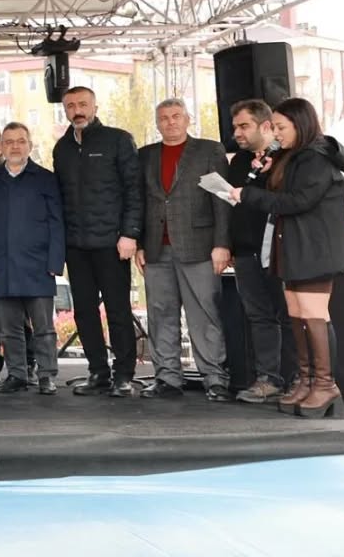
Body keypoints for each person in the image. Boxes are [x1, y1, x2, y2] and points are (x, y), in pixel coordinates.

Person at [230, 97, 344, 419]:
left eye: (281, 127)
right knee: (297, 315)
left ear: (300, 125)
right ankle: (307, 380)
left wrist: (249, 194)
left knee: (314, 315)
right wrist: (264, 174)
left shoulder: (316, 159)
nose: (276, 133)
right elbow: (283, 194)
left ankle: (325, 385)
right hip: (295, 248)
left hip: (316, 249)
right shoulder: (293, 158)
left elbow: (297, 201)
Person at [135, 99, 233, 401]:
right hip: (156, 248)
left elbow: (222, 200)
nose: (170, 122)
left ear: (188, 119)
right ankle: (167, 378)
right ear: (157, 123)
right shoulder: (145, 155)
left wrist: (222, 244)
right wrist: (139, 244)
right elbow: (139, 202)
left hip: (199, 247)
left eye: (176, 116)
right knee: (160, 314)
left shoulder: (208, 151)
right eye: (164, 118)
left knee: (204, 314)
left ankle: (215, 379)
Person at [53, 86, 142, 397]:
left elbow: (134, 190)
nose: (77, 110)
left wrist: (130, 234)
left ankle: (124, 375)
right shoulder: (62, 148)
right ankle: (98, 373)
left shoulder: (118, 140)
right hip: (76, 245)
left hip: (112, 243)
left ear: (95, 107)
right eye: (70, 105)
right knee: (84, 312)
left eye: (82, 104)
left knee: (118, 311)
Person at [0, 123, 65, 395]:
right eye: (10, 141)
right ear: (3, 146)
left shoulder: (46, 179)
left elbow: (57, 223)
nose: (15, 146)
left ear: (30, 145)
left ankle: (47, 376)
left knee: (44, 328)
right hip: (2, 265)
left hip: (39, 266)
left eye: (21, 141)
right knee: (9, 329)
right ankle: (17, 375)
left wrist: (55, 262)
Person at [227, 100, 298, 404]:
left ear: (265, 126)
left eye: (244, 126)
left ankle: (297, 379)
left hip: (280, 250)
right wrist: (229, 245)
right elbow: (232, 205)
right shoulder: (239, 162)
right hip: (245, 251)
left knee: (290, 315)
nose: (237, 133)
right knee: (259, 316)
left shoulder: (287, 158)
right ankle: (268, 379)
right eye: (235, 127)